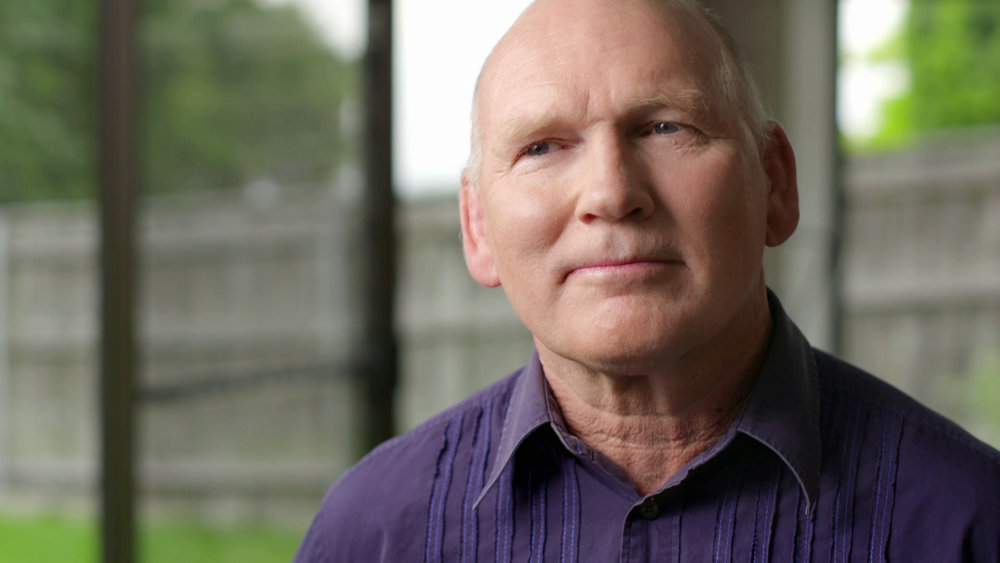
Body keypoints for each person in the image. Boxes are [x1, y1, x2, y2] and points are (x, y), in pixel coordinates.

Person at [295, 0, 1000, 560]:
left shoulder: (967, 521)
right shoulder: (373, 533)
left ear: (776, 183)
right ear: (476, 227)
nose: (611, 192)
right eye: (542, 147)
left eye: (665, 128)